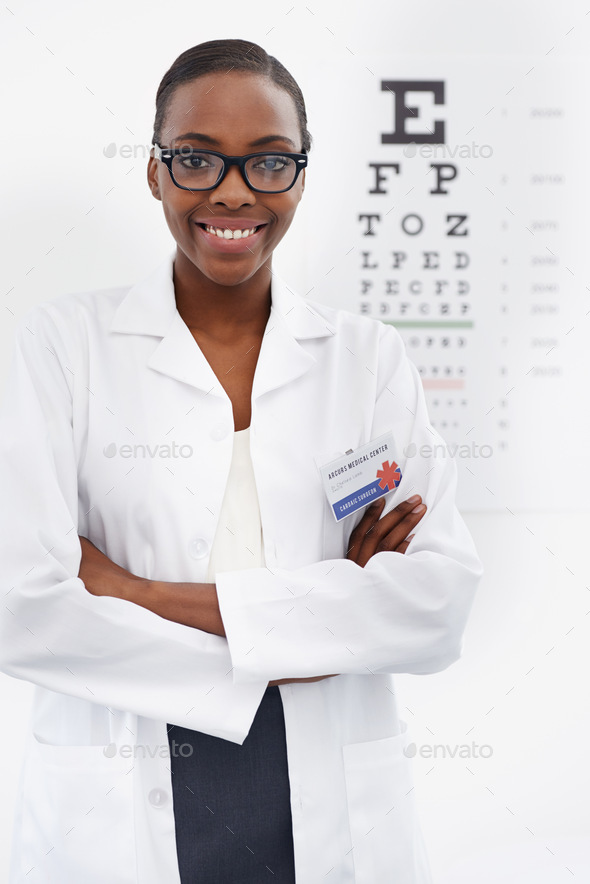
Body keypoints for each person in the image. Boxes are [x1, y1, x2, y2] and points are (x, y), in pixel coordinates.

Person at [0, 38, 483, 884]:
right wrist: (321, 630)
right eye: (196, 159)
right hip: (118, 789)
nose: (231, 191)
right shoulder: (60, 347)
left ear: (300, 176)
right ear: (154, 173)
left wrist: (136, 591)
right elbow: (23, 609)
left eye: (267, 162)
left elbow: (436, 606)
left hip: (333, 791)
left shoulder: (364, 358)